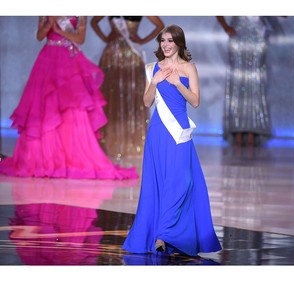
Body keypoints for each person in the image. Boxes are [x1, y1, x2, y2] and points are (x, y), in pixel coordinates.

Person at [122, 24, 222, 256]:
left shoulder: (189, 68)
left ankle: (165, 234)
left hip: (179, 132)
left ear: (179, 43)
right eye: (162, 41)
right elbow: (147, 103)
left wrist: (178, 83)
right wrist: (155, 81)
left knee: (183, 181)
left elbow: (195, 101)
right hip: (158, 131)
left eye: (170, 41)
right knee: (159, 183)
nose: (165, 45)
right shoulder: (152, 68)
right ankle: (161, 236)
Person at [0, 16, 138, 180]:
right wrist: (49, 25)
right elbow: (39, 36)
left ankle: (69, 158)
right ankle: (45, 158)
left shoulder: (79, 13)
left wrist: (60, 31)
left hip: (69, 60)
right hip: (48, 59)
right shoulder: (47, 9)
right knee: (46, 106)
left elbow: (80, 39)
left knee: (72, 108)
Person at [90, 16, 165, 162]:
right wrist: (106, 38)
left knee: (133, 96)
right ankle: (109, 143)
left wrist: (142, 40)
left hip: (132, 56)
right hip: (112, 55)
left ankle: (133, 142)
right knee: (111, 97)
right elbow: (94, 21)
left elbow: (159, 25)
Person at [216, 16, 272, 147]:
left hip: (258, 36)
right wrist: (225, 26)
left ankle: (253, 129)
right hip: (238, 34)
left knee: (255, 80)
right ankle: (237, 129)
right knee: (238, 81)